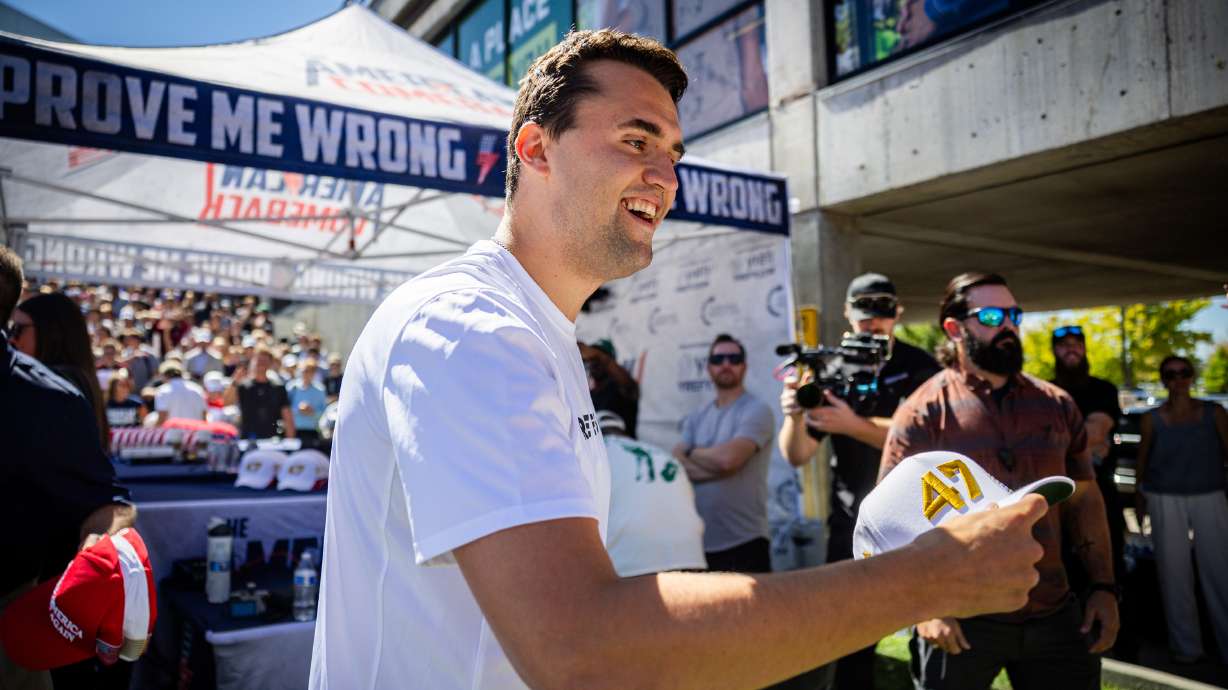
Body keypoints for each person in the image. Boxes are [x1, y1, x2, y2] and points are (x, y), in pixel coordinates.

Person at [309, 31, 1052, 690]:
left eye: (673, 154)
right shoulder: (470, 327)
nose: (666, 179)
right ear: (535, 149)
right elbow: (579, 650)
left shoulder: (534, 333)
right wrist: (923, 577)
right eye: (636, 141)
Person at [881, 272, 1119, 690]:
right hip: (961, 619)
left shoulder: (1057, 405)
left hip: (1054, 612)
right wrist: (923, 608)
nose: (1008, 326)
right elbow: (891, 522)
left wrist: (1103, 586)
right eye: (992, 315)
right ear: (954, 329)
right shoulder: (922, 413)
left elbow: (1084, 501)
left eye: (1014, 314)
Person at [779, 272, 940, 689]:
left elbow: (929, 440)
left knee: (933, 632)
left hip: (918, 520)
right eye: (863, 315)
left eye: (882, 314)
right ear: (847, 315)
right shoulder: (832, 368)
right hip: (853, 522)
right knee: (849, 637)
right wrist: (796, 412)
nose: (872, 324)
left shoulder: (919, 366)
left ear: (898, 314)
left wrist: (852, 424)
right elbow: (797, 453)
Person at [0, 247, 137, 690]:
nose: (16, 337)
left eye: (22, 328)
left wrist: (95, 552)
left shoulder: (47, 393)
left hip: (17, 609)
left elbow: (108, 502)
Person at [1049, 324, 1137, 656]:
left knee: (1107, 570)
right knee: (1066, 575)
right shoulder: (1047, 391)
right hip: (1058, 504)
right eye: (1063, 345)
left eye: (1076, 344)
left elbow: (1096, 436)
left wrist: (1053, 447)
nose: (1071, 349)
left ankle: (1120, 646)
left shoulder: (1103, 389)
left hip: (1101, 498)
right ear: (1054, 351)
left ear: (1085, 349)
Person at [1135, 355, 1228, 665]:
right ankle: (1186, 648)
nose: (1178, 379)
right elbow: (1143, 463)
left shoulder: (1214, 412)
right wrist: (1140, 500)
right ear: (1163, 379)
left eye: (1184, 373)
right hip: (1164, 499)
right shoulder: (1152, 419)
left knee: (1220, 571)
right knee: (1173, 573)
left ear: (1191, 376)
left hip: (1210, 496)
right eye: (1171, 374)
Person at [582, 345, 706, 577]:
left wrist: (598, 356)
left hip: (623, 462)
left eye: (596, 360)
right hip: (613, 457)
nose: (591, 366)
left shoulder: (620, 387)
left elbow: (630, 389)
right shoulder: (587, 393)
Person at [672, 333, 776, 573]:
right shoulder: (697, 416)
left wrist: (692, 452)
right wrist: (718, 465)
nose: (726, 364)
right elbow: (678, 465)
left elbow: (729, 460)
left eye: (734, 358)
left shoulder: (757, 410)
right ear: (709, 368)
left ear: (744, 366)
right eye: (718, 359)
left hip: (745, 541)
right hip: (700, 545)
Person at [10, 291, 110, 450]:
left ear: (51, 332)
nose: (12, 338)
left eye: (18, 328)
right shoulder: (77, 379)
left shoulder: (57, 384)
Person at [230, 345, 294, 439]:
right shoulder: (243, 386)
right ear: (253, 362)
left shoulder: (278, 387)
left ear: (270, 363)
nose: (261, 364)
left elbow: (287, 416)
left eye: (264, 361)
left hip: (273, 439)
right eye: (259, 361)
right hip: (249, 439)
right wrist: (235, 382)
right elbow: (227, 402)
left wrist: (290, 441)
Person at [288, 358, 327, 448]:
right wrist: (298, 410)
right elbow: (286, 410)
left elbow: (324, 413)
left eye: (309, 371)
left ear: (314, 373)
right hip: (294, 431)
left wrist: (312, 412)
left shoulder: (320, 390)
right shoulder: (292, 387)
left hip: (312, 432)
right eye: (304, 371)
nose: (305, 374)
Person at [153, 360, 207, 424]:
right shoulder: (197, 389)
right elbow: (204, 415)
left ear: (164, 375)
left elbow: (162, 416)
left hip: (172, 432)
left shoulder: (162, 391)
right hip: (195, 432)